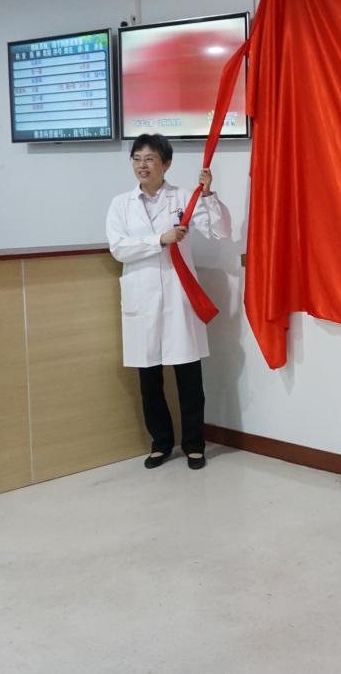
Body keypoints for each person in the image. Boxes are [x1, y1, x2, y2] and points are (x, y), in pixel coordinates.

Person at [106, 133, 232, 470]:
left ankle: (194, 444)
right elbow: (119, 248)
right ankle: (160, 443)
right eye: (137, 159)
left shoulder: (184, 198)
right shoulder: (121, 204)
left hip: (179, 296)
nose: (142, 165)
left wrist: (208, 195)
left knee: (189, 376)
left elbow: (219, 231)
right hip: (142, 298)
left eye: (149, 159)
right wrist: (159, 239)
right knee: (149, 380)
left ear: (166, 164)